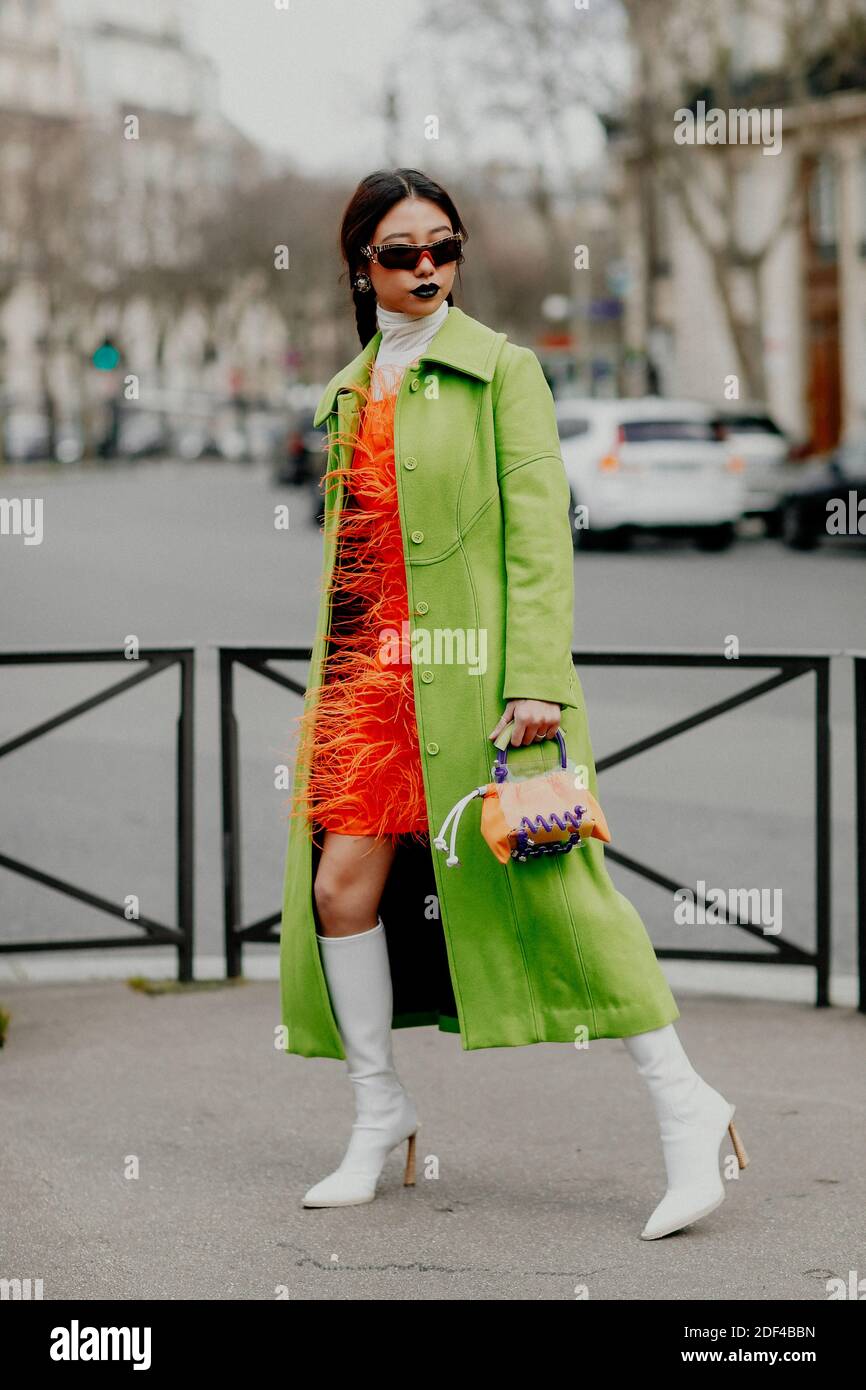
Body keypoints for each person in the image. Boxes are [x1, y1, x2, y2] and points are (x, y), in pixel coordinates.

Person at [279, 168, 749, 1238]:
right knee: (340, 890)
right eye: (401, 252)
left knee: (561, 894)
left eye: (442, 246)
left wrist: (534, 677)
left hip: (488, 691)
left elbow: (540, 537)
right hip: (372, 689)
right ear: (361, 263)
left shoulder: (502, 373)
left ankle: (687, 1109)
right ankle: (377, 1111)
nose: (427, 268)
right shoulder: (351, 389)